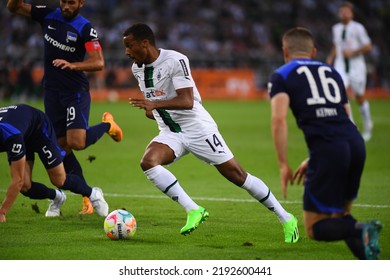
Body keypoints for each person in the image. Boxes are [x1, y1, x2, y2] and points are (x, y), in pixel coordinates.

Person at [122, 23, 299, 242]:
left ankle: (286, 217)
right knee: (148, 162)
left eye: (129, 46)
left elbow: (187, 101)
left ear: (144, 43)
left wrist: (155, 106)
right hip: (170, 131)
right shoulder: (137, 69)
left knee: (238, 176)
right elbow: (157, 103)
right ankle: (193, 210)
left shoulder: (175, 60)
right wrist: (153, 110)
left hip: (198, 128)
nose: (127, 52)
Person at [268, 27, 382, 259]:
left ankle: (363, 228)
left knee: (315, 228)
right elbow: (346, 117)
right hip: (355, 144)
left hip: (329, 149)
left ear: (285, 51)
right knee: (341, 216)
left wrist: (283, 164)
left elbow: (279, 119)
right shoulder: (332, 72)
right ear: (314, 51)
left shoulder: (282, 74)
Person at [7, 0, 123, 214]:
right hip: (51, 93)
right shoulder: (48, 15)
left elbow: (98, 62)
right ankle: (87, 197)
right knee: (62, 148)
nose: (65, 6)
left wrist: (74, 65)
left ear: (81, 3)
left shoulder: (85, 28)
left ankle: (107, 125)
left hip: (74, 93)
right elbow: (13, 8)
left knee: (76, 142)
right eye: (63, 2)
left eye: (71, 3)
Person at [0, 104, 109, 223]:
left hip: (39, 129)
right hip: (21, 128)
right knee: (25, 187)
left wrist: (2, 212)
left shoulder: (11, 135)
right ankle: (57, 197)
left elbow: (17, 180)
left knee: (59, 180)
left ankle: (93, 194)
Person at [326, 1, 373, 141]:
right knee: (339, 93)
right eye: (342, 11)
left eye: (346, 11)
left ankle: (367, 123)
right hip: (341, 66)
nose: (344, 13)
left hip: (356, 67)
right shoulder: (336, 28)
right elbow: (336, 45)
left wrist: (353, 52)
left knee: (359, 96)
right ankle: (351, 128)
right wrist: (331, 57)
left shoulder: (358, 28)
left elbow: (368, 46)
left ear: (351, 13)